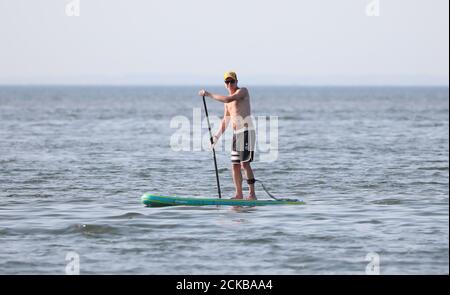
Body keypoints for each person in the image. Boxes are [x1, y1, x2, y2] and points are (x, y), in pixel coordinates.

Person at [198, 71, 257, 200]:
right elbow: (225, 121)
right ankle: (239, 194)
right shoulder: (226, 103)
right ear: (225, 84)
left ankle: (252, 195)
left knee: (244, 164)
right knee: (235, 165)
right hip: (236, 135)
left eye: (232, 81)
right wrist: (216, 137)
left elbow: (228, 98)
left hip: (246, 132)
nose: (229, 84)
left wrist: (208, 94)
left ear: (236, 82)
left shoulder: (242, 92)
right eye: (227, 82)